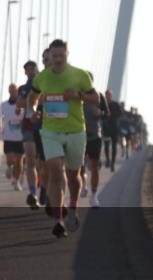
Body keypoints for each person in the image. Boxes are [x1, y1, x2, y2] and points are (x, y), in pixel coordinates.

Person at [27, 39, 99, 238]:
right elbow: (32, 98)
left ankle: (73, 208)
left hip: (76, 131)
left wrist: (79, 95)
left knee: (74, 176)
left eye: (61, 56)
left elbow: (96, 98)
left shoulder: (80, 75)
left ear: (68, 54)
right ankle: (58, 220)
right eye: (54, 56)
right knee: (56, 171)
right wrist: (32, 111)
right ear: (49, 56)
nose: (57, 60)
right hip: (50, 132)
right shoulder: (42, 78)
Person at [16, 60, 44, 209]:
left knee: (43, 163)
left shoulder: (45, 83)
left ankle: (44, 188)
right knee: (31, 161)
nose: (30, 72)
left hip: (44, 126)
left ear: (37, 69)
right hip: (28, 126)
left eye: (32, 69)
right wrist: (27, 94)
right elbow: (19, 104)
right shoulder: (23, 88)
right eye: (27, 70)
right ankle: (33, 193)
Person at [82, 72, 109, 209]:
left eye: (89, 79)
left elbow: (106, 113)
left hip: (95, 135)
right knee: (78, 165)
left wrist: (100, 113)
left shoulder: (99, 95)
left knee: (94, 165)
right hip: (79, 134)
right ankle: (82, 183)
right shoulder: (78, 95)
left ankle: (93, 195)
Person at [0, 84, 25, 191]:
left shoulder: (22, 105)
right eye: (11, 91)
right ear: (9, 92)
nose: (12, 92)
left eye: (14, 91)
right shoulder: (3, 105)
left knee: (19, 161)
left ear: (17, 91)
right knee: (10, 160)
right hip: (8, 137)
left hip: (20, 137)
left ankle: (17, 181)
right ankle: (9, 167)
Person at [102, 89, 120, 172]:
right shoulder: (102, 104)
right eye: (107, 95)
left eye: (109, 95)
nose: (108, 96)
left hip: (114, 128)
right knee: (106, 146)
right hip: (106, 128)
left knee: (114, 146)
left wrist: (112, 116)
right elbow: (99, 114)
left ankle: (112, 163)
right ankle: (108, 160)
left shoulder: (116, 104)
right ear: (105, 96)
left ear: (111, 96)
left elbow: (120, 114)